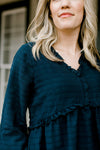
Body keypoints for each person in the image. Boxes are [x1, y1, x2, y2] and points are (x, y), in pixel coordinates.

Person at [0, 0, 100, 149]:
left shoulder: (96, 63)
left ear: (85, 6)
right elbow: (11, 129)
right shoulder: (29, 56)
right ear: (49, 9)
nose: (65, 4)